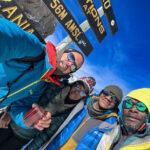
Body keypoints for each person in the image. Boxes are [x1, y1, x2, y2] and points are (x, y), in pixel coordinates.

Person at [0, 18, 84, 108]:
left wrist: (32, 120)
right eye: (71, 57)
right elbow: (7, 35)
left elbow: (21, 105)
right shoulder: (36, 50)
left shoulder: (43, 84)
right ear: (64, 51)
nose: (70, 64)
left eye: (74, 67)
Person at [0, 76, 96, 150]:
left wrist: (31, 148)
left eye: (82, 92)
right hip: (10, 121)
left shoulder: (69, 114)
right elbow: (28, 95)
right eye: (78, 86)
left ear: (83, 97)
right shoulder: (54, 87)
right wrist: (8, 112)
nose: (77, 92)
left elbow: (46, 134)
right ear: (73, 84)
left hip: (22, 138)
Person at [43, 85, 123, 150]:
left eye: (114, 98)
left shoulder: (111, 124)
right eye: (106, 93)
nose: (108, 98)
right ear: (101, 93)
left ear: (116, 104)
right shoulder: (82, 103)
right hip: (54, 145)